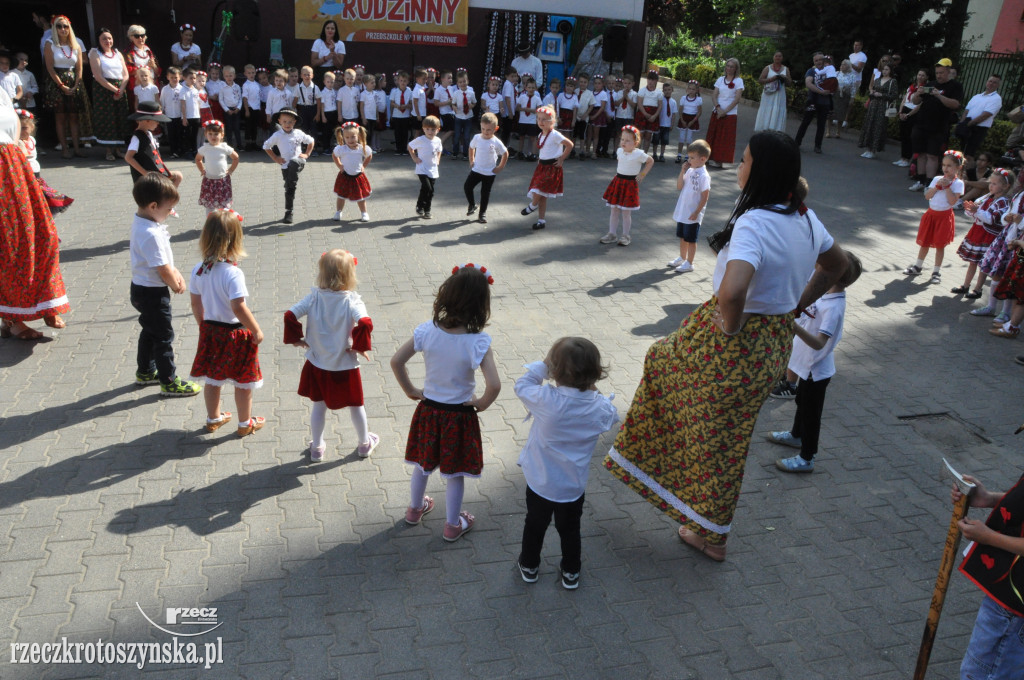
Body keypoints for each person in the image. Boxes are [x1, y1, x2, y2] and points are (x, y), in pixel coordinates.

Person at [604, 130, 848, 561]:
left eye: (746, 160)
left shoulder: (758, 221)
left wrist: (733, 328)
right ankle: (684, 493)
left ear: (762, 171)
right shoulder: (803, 216)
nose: (739, 166)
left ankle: (711, 533)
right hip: (769, 341)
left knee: (719, 439)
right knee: (672, 373)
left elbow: (733, 292)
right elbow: (837, 264)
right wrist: (791, 307)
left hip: (736, 340)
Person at [391, 264, 501, 542]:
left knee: (422, 464)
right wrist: (481, 404)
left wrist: (411, 390)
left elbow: (396, 361)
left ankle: (414, 510)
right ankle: (453, 525)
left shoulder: (426, 331)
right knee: (455, 473)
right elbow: (494, 384)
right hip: (459, 416)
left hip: (429, 410)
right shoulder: (478, 341)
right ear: (480, 304)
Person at [514, 337, 619, 590]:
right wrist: (593, 391)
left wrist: (542, 365)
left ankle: (529, 565)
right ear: (595, 373)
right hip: (572, 487)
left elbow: (522, 385)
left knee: (535, 525)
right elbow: (612, 417)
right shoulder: (599, 408)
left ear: (554, 371)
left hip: (541, 482)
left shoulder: (547, 400)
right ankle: (571, 571)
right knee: (570, 529)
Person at [767, 251, 863, 473]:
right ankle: (795, 435)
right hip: (806, 366)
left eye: (824, 267)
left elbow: (820, 343)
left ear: (834, 275)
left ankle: (807, 458)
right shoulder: (824, 294)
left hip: (816, 370)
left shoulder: (834, 307)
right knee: (801, 402)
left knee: (811, 415)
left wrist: (794, 327)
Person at [284, 249, 376, 461]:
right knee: (356, 405)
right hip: (345, 365)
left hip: (318, 362)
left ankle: (317, 447)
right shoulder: (352, 301)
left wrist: (296, 339)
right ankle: (364, 444)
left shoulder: (313, 297)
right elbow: (365, 322)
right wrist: (359, 346)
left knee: (319, 405)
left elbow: (290, 314)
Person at [0, 89, 69, 341]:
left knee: (43, 236)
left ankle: (46, 304)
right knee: (9, 244)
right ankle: (13, 319)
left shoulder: (2, 91)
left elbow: (14, 123)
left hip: (15, 167)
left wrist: (16, 153)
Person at [188, 209, 264, 435]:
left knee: (213, 379)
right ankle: (244, 423)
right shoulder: (232, 274)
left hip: (211, 331)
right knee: (243, 382)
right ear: (235, 239)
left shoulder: (198, 270)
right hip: (236, 334)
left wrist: (203, 325)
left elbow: (195, 304)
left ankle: (213, 418)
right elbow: (239, 307)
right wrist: (256, 330)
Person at [128, 172, 201, 396]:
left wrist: (174, 270)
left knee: (149, 331)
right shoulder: (150, 233)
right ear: (152, 206)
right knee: (163, 336)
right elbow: (162, 268)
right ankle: (168, 381)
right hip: (152, 293)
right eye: (168, 209)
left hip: (141, 288)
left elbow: (163, 261)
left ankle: (145, 371)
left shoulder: (144, 221)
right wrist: (175, 283)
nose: (170, 213)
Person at [949, 471, 1024, 679]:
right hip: (1008, 600)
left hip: (1013, 607)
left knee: (981, 673)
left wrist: (989, 537)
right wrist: (989, 498)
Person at [902, 150, 965, 284]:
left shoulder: (958, 183)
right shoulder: (937, 179)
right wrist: (937, 186)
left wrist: (947, 187)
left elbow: (953, 202)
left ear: (957, 168)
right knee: (924, 241)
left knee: (939, 245)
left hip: (944, 217)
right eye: (944, 165)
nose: (945, 168)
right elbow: (927, 196)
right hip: (931, 215)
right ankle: (918, 266)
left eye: (949, 166)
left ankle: (936, 271)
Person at [953, 168, 1014, 299]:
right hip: (978, 232)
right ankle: (965, 285)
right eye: (990, 183)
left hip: (989, 236)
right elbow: (976, 209)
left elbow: (992, 219)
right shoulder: (987, 197)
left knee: (983, 264)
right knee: (972, 261)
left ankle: (978, 289)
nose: (991, 186)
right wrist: (970, 209)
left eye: (995, 183)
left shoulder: (1004, 202)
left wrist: (976, 211)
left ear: (1005, 186)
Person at [908, 58, 963, 192]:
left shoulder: (955, 86)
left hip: (938, 127)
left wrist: (939, 96)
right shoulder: (930, 84)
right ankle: (920, 180)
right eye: (937, 72)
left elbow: (956, 104)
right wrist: (918, 93)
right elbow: (915, 102)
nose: (939, 75)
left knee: (932, 155)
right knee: (920, 153)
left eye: (942, 73)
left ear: (949, 72)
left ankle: (929, 184)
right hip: (921, 124)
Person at [43, 15, 91, 159]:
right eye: (59, 26)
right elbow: (50, 68)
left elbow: (79, 67)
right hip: (57, 81)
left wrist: (77, 84)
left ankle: (77, 148)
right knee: (61, 117)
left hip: (74, 81)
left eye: (65, 26)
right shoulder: (50, 43)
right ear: (55, 29)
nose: (63, 29)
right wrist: (61, 85)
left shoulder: (75, 44)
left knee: (74, 117)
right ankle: (65, 148)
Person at [974, 188, 1024, 324]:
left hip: (1019, 241)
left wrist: (1020, 221)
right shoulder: (1019, 194)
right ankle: (991, 306)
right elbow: (1009, 212)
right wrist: (1006, 217)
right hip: (1007, 236)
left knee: (1010, 277)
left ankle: (1005, 313)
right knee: (997, 272)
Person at [599, 124, 653, 247]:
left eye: (628, 140)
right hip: (618, 182)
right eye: (622, 139)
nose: (623, 142)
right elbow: (621, 163)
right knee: (614, 210)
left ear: (636, 142)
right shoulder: (619, 151)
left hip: (630, 184)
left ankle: (626, 236)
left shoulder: (639, 154)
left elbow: (650, 161)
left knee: (626, 212)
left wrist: (642, 174)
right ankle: (612, 234)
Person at [521, 105, 573, 231]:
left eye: (544, 119)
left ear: (552, 122)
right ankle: (541, 220)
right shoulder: (541, 135)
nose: (541, 122)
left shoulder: (555, 134)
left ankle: (532, 206)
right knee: (542, 196)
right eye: (539, 119)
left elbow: (569, 145)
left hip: (552, 167)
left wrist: (561, 159)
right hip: (542, 166)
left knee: (538, 189)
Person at [667, 139, 712, 273]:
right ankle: (682, 257)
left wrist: (697, 212)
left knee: (691, 239)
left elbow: (705, 197)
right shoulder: (690, 170)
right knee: (682, 236)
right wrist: (682, 171)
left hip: (693, 213)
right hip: (683, 211)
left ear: (703, 159)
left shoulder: (704, 176)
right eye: (689, 157)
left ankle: (690, 263)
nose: (689, 160)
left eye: (692, 157)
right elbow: (679, 186)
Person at [263, 107, 314, 224]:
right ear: (280, 121)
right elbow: (266, 146)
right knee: (290, 189)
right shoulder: (277, 135)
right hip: (285, 166)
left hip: (299, 162)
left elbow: (311, 141)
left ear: (294, 122)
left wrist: (307, 154)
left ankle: (290, 183)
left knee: (295, 162)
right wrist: (276, 158)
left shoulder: (298, 133)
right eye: (284, 121)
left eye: (290, 122)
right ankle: (289, 211)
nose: (287, 124)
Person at [17, 110, 73, 214]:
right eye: (18, 128)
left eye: (24, 128)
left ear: (32, 128)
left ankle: (45, 207)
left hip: (35, 171)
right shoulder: (18, 142)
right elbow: (23, 155)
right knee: (36, 193)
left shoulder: (32, 140)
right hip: (27, 172)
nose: (21, 131)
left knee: (41, 192)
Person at [125, 101, 183, 193]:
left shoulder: (149, 134)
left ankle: (167, 203)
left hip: (157, 173)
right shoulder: (137, 137)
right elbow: (128, 157)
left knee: (177, 176)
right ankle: (165, 204)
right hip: (146, 179)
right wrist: (145, 173)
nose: (158, 123)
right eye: (156, 121)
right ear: (147, 120)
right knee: (148, 202)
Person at [464, 112, 508, 224]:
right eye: (483, 129)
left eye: (489, 130)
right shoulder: (477, 137)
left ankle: (482, 214)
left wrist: (500, 167)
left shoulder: (496, 142)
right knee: (467, 187)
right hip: (477, 169)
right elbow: (471, 148)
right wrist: (471, 160)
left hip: (490, 172)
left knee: (485, 193)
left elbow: (505, 153)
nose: (485, 132)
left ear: (495, 128)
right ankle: (472, 204)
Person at [957, 74, 1003, 173]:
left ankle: (968, 175)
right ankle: (960, 173)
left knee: (970, 154)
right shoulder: (977, 96)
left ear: (998, 85)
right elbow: (966, 111)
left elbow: (986, 114)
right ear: (987, 82)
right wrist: (963, 124)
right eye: (990, 81)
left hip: (979, 128)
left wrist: (969, 124)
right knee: (962, 152)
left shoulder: (996, 99)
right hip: (967, 126)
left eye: (995, 82)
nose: (991, 84)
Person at [332, 121, 372, 222]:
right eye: (347, 137)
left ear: (358, 135)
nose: (350, 140)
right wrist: (340, 165)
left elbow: (369, 156)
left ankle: (364, 213)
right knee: (341, 196)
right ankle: (338, 212)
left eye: (353, 137)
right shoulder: (342, 149)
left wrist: (363, 166)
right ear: (343, 137)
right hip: (344, 175)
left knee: (360, 196)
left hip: (358, 176)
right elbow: (334, 155)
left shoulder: (362, 148)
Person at [706, 58, 743, 167]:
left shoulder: (738, 81)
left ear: (736, 69)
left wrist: (725, 111)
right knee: (713, 135)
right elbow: (714, 95)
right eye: (728, 66)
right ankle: (707, 156)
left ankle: (720, 160)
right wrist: (718, 108)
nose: (729, 68)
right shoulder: (720, 79)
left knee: (724, 138)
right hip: (717, 111)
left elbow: (737, 99)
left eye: (732, 66)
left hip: (730, 114)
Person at [195, 120, 238, 213]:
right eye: (210, 134)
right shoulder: (204, 148)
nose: (213, 136)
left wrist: (231, 170)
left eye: (216, 134)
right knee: (210, 204)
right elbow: (198, 159)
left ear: (222, 135)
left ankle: (225, 222)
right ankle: (210, 223)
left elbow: (236, 158)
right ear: (206, 135)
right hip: (209, 180)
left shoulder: (224, 147)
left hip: (222, 180)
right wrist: (202, 170)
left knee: (224, 204)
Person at [857, 62, 898, 159]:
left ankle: (873, 149)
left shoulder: (892, 81)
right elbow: (871, 91)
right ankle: (867, 148)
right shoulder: (878, 79)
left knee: (878, 126)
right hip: (873, 104)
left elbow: (894, 95)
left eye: (887, 69)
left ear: (891, 71)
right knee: (869, 125)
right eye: (883, 69)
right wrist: (872, 92)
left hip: (883, 106)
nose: (884, 71)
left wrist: (882, 95)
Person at [794, 52, 832, 155]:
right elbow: (808, 83)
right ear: (814, 62)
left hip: (825, 103)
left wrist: (831, 89)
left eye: (820, 59)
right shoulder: (811, 71)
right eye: (816, 60)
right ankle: (797, 143)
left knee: (821, 125)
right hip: (813, 101)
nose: (819, 62)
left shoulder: (829, 71)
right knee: (805, 122)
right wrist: (821, 92)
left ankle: (818, 146)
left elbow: (834, 84)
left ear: (824, 60)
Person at [408, 115, 442, 218]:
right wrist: (414, 158)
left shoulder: (438, 140)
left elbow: (439, 150)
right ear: (423, 129)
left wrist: (438, 159)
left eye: (433, 129)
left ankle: (427, 209)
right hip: (422, 168)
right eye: (427, 129)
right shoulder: (420, 139)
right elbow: (410, 147)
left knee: (428, 190)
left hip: (433, 169)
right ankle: (420, 205)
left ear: (438, 130)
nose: (430, 132)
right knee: (428, 188)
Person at [893, 69, 927, 168]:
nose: (920, 77)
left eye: (923, 75)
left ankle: (908, 158)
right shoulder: (912, 86)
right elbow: (904, 98)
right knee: (903, 136)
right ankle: (903, 157)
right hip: (905, 109)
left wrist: (908, 115)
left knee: (909, 136)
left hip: (913, 113)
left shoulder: (923, 89)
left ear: (926, 77)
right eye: (919, 74)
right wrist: (900, 111)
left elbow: (919, 105)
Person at [754, 52, 791, 133]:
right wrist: (772, 79)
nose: (778, 58)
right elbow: (760, 80)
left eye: (780, 56)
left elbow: (789, 83)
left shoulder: (786, 69)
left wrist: (785, 79)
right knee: (767, 109)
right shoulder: (767, 68)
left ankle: (776, 129)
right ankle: (764, 128)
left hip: (780, 94)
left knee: (777, 110)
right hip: (769, 94)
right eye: (776, 56)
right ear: (773, 57)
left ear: (782, 58)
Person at [124, 25, 159, 107]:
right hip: (137, 86)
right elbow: (128, 70)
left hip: (151, 85)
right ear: (131, 37)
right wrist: (143, 69)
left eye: (142, 36)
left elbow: (158, 71)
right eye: (137, 36)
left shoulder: (149, 51)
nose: (140, 38)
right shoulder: (129, 52)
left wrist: (153, 66)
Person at [828, 59, 858, 139]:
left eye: (844, 64)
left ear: (848, 67)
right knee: (831, 113)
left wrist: (852, 98)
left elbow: (853, 88)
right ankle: (828, 131)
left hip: (845, 96)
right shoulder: (837, 73)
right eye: (841, 64)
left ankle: (838, 132)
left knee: (841, 114)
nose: (842, 66)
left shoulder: (852, 76)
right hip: (836, 95)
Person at [634, 71, 664, 153]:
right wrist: (645, 114)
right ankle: (637, 153)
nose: (650, 82)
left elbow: (660, 106)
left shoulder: (659, 93)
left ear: (656, 81)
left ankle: (644, 153)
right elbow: (639, 104)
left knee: (648, 136)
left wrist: (654, 116)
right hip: (642, 114)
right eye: (649, 79)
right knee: (640, 135)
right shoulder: (642, 90)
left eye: (653, 80)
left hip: (653, 115)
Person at [451, 69, 476, 160]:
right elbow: (453, 103)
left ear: (467, 81)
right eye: (460, 82)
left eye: (464, 81)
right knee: (457, 136)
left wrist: (471, 105)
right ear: (457, 83)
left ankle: (466, 154)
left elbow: (474, 103)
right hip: (458, 117)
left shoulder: (471, 93)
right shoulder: (456, 93)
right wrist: (454, 107)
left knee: (466, 136)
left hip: (468, 117)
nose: (463, 83)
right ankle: (455, 152)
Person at [676, 80, 702, 162]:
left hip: (692, 119)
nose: (691, 91)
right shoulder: (683, 98)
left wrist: (693, 121)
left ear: (697, 90)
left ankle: (688, 155)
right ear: (687, 89)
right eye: (690, 89)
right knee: (681, 137)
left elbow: (699, 112)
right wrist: (682, 120)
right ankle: (679, 154)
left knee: (689, 138)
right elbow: (680, 110)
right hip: (684, 118)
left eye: (693, 89)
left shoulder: (698, 99)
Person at [218, 65, 243, 150]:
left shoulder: (237, 87)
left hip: (236, 109)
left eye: (231, 75)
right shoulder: (222, 87)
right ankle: (229, 145)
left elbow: (240, 98)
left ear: (234, 76)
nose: (229, 77)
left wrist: (238, 108)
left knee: (236, 127)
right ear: (224, 76)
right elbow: (221, 100)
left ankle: (239, 145)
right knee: (228, 128)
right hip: (227, 110)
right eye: (226, 76)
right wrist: (227, 110)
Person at [179, 68, 202, 159]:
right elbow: (183, 105)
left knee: (194, 135)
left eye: (194, 78)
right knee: (187, 135)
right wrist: (184, 117)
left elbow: (198, 104)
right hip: (187, 116)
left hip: (195, 116)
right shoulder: (183, 90)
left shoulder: (196, 90)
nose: (193, 80)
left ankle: (194, 150)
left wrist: (200, 115)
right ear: (184, 78)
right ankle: (188, 151)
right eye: (191, 78)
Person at [516, 77, 541, 161]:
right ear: (526, 88)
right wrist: (524, 109)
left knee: (533, 138)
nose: (531, 89)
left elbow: (538, 110)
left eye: (533, 87)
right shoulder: (522, 97)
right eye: (529, 87)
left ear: (535, 88)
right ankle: (520, 152)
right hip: (522, 121)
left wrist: (530, 110)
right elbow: (517, 108)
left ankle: (533, 154)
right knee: (521, 137)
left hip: (532, 121)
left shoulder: (537, 99)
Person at [389, 71, 413, 155]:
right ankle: (398, 149)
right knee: (397, 133)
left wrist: (406, 106)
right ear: (398, 81)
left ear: (408, 82)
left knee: (405, 133)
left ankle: (404, 148)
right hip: (397, 115)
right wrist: (397, 106)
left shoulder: (409, 91)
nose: (403, 82)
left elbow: (411, 103)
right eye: (401, 80)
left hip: (405, 115)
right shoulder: (394, 91)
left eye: (405, 81)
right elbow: (391, 103)